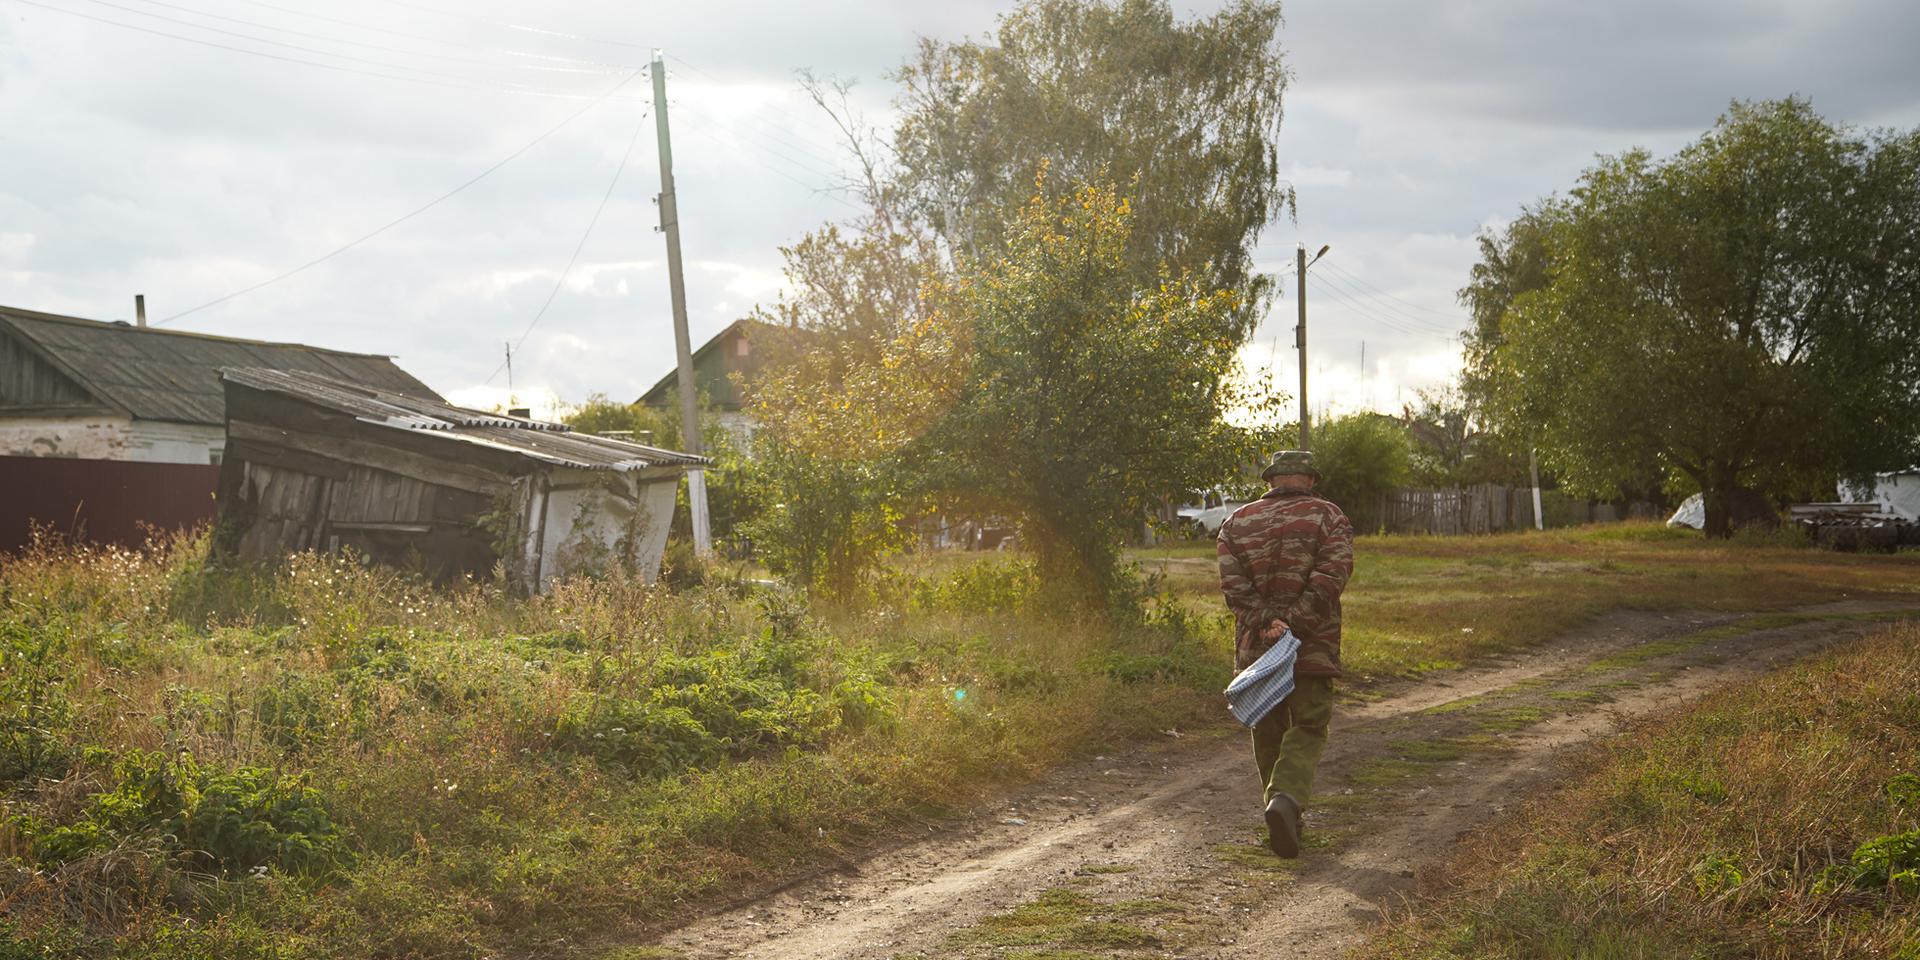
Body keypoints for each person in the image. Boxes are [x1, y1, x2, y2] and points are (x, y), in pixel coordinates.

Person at [1216, 449, 1354, 858]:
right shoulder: (1329, 517)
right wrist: (1294, 623)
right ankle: (1286, 801)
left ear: (1271, 481)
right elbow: (1332, 576)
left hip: (1258, 649)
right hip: (1311, 646)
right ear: (1309, 479)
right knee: (1309, 726)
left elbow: (1232, 586)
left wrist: (1266, 622)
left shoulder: (1235, 523)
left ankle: (1282, 816)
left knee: (1267, 728)